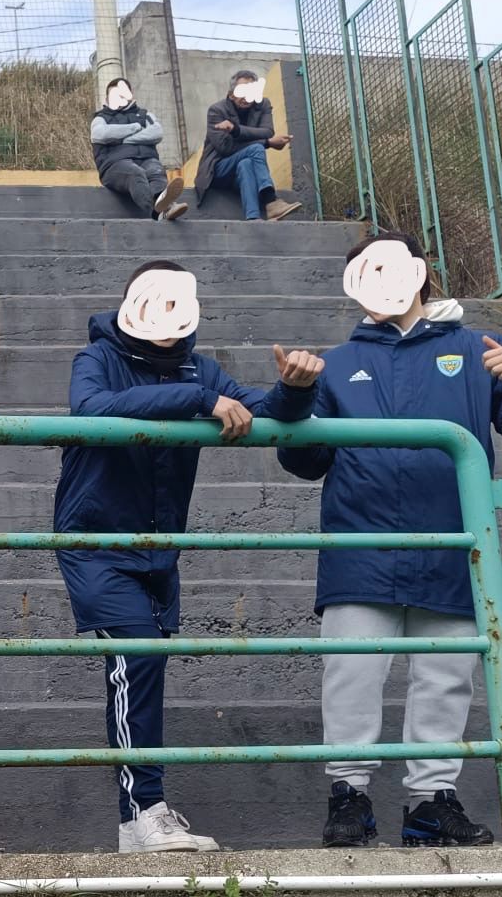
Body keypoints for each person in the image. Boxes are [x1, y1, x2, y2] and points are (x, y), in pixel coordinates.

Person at [278, 231, 502, 848]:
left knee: (446, 676)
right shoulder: (331, 364)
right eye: (364, 266)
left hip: (454, 546)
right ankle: (348, 798)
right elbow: (304, 462)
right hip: (360, 545)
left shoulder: (474, 348)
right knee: (351, 675)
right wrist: (297, 397)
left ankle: (431, 803)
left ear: (420, 272)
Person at [55, 260, 323, 852]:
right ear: (132, 302)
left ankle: (137, 824)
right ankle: (143, 810)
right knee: (137, 660)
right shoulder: (97, 358)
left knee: (145, 673)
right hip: (95, 545)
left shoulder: (200, 368)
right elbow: (91, 410)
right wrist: (199, 399)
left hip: (159, 552)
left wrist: (297, 388)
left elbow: (268, 410)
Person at [193, 69, 300, 222]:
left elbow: (267, 131)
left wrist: (236, 130)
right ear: (231, 94)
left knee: (246, 163)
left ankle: (253, 217)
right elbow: (225, 148)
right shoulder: (216, 111)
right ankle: (271, 200)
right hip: (218, 169)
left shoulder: (263, 104)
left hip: (240, 169)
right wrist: (267, 143)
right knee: (256, 149)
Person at [91, 76, 188, 222]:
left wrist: (123, 140)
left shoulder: (145, 115)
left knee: (155, 171)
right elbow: (100, 134)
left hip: (146, 159)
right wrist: (134, 128)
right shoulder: (101, 118)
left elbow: (157, 132)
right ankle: (158, 213)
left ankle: (167, 206)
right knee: (136, 173)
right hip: (114, 166)